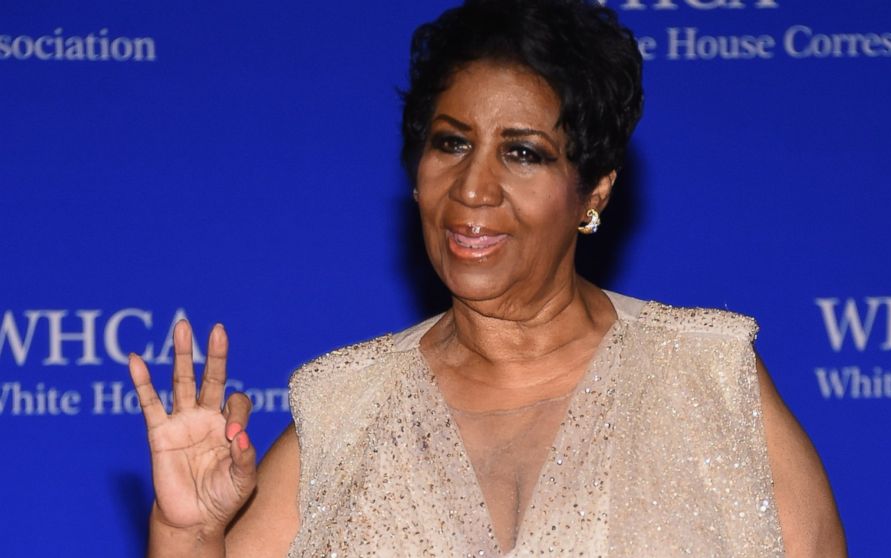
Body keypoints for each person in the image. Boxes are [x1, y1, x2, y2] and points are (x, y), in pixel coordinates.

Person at [128, 0, 846, 556]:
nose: (474, 188)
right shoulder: (344, 410)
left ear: (594, 190)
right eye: (451, 143)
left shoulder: (708, 376)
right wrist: (185, 530)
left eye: (524, 154)